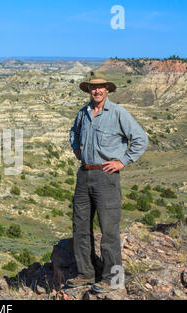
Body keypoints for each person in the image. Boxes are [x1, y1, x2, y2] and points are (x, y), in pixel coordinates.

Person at [66, 72, 149, 293]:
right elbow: (73, 133)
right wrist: (77, 152)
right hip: (84, 175)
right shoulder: (83, 113)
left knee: (109, 230)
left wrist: (123, 161)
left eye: (101, 87)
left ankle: (113, 280)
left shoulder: (118, 113)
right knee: (80, 227)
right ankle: (85, 273)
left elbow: (141, 139)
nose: (97, 90)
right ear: (88, 90)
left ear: (107, 90)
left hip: (106, 176)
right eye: (93, 87)